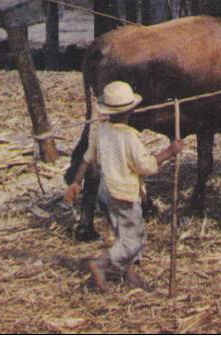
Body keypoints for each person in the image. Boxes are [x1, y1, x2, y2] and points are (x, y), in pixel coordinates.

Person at [64, 80, 184, 292]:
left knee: (124, 235)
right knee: (134, 240)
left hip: (105, 190)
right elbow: (146, 166)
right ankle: (100, 264)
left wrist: (76, 182)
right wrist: (169, 152)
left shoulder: (101, 129)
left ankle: (130, 275)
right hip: (123, 194)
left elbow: (87, 157)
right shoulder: (129, 137)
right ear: (130, 110)